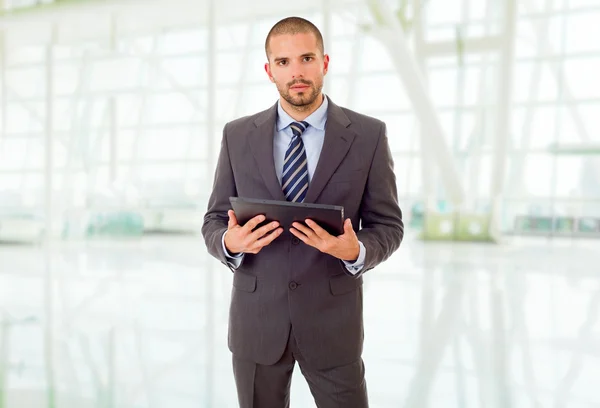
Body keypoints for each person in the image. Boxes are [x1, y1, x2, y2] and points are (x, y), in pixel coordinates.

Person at [202, 16, 403, 408]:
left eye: (306, 58)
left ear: (324, 62)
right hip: (257, 324)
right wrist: (229, 241)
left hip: (333, 325)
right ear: (269, 70)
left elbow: (388, 225)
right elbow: (213, 219)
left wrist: (356, 250)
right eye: (283, 62)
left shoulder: (368, 135)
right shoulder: (237, 135)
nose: (296, 72)